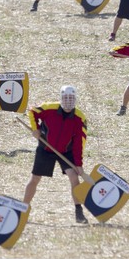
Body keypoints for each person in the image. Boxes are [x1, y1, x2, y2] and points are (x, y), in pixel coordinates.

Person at [24, 86, 89, 225]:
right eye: (66, 98)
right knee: (35, 178)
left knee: (74, 177)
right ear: (61, 98)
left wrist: (79, 164)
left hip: (66, 151)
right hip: (45, 148)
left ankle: (79, 212)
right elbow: (32, 111)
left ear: (75, 99)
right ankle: (23, 209)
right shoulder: (49, 108)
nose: (68, 101)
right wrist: (35, 129)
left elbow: (79, 143)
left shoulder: (80, 118)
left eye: (71, 98)